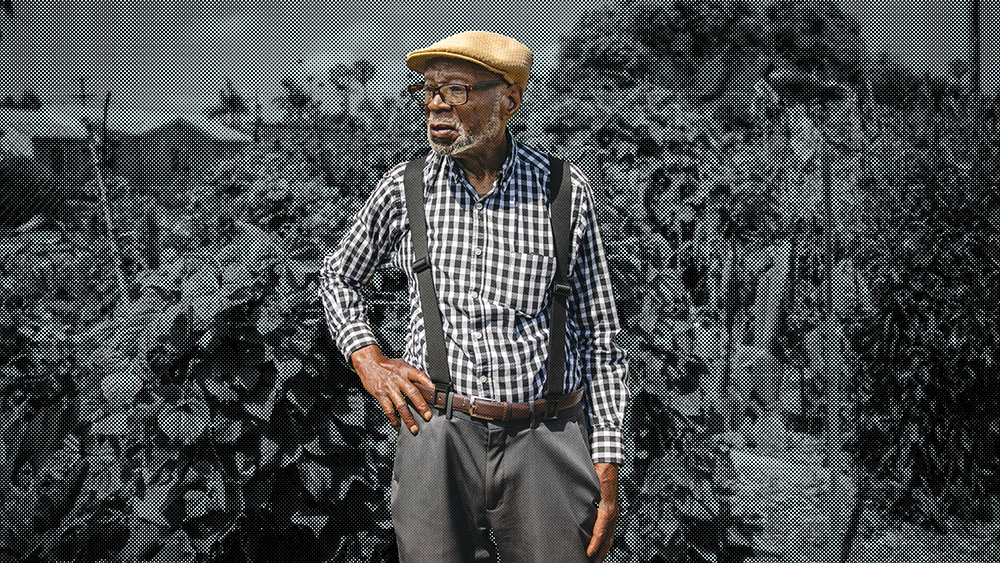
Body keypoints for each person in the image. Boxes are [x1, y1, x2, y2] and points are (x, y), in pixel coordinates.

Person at [319, 31, 629, 563]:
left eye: (457, 89)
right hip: (436, 433)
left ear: (509, 99)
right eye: (430, 89)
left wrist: (605, 455)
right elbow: (338, 276)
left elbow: (599, 330)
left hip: (546, 436)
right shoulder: (405, 187)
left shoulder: (564, 189)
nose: (436, 103)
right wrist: (368, 360)